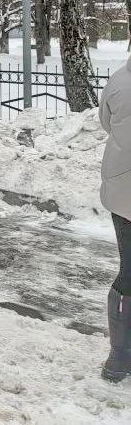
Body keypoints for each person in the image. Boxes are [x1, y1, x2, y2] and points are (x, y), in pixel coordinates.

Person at [100, 58, 131, 382]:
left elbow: (106, 122)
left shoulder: (119, 79)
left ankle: (119, 357)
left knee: (130, 271)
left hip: (124, 193)